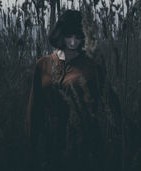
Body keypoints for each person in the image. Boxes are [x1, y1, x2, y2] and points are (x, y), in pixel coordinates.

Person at [26, 10, 108, 171]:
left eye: (78, 37)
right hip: (50, 142)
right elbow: (33, 110)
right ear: (60, 34)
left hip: (82, 143)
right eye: (69, 36)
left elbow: (104, 103)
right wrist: (31, 147)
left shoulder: (92, 65)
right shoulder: (43, 64)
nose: (73, 42)